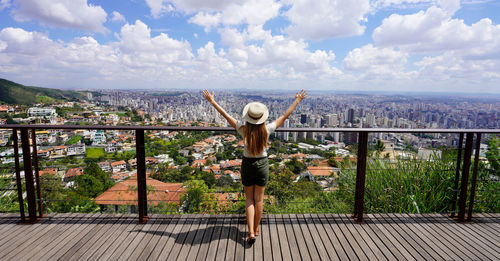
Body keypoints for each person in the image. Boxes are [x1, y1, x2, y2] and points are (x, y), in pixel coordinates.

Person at [202, 89, 307, 245]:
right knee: (259, 200)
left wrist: (212, 101)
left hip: (247, 165)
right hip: (262, 165)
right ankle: (256, 229)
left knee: (249, 200)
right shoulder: (267, 129)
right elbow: (285, 116)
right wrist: (297, 100)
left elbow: (225, 115)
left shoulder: (242, 129)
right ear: (261, 117)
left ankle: (250, 231)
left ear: (248, 117)